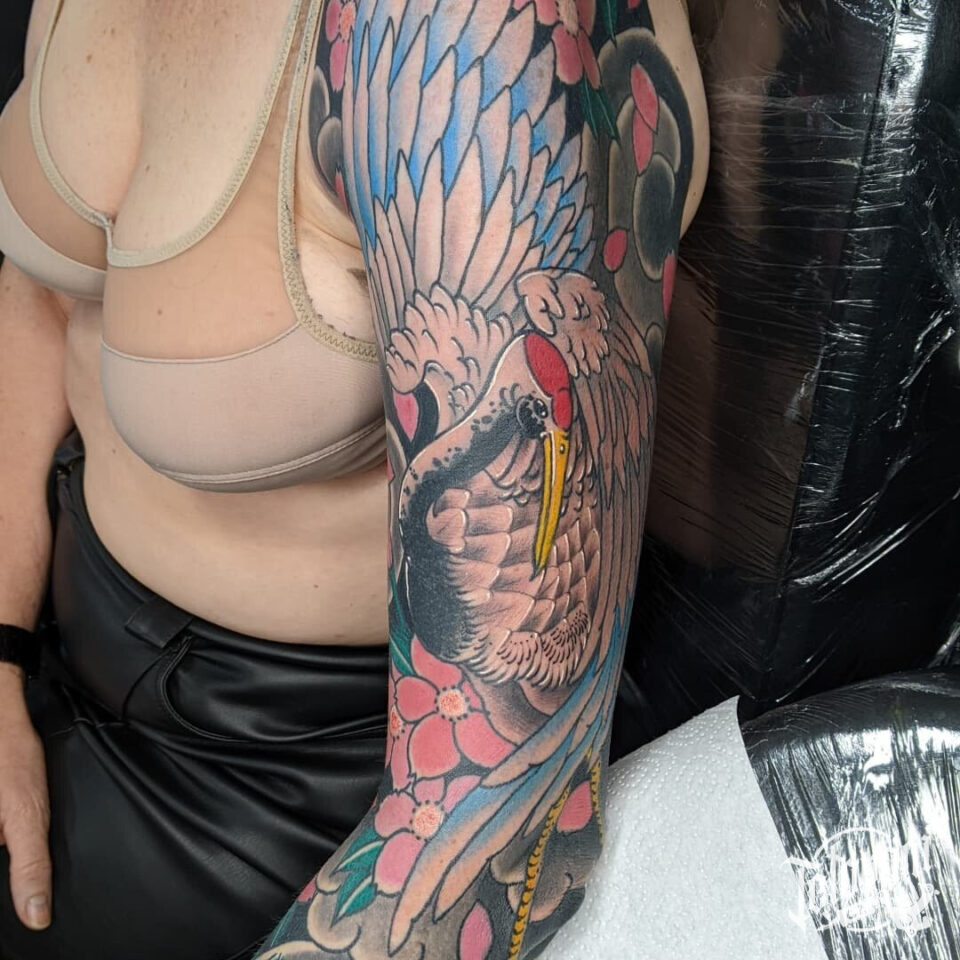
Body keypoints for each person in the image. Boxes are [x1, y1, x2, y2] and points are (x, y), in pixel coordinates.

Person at [0, 1, 707, 957]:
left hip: (318, 808)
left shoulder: (467, 34)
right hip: (58, 652)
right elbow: (45, 294)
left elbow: (506, 825)